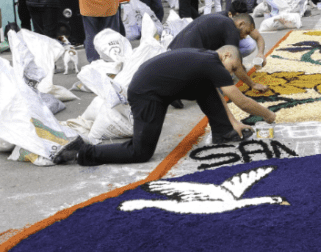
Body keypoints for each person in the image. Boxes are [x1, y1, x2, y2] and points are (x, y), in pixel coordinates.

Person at [52, 47, 276, 166]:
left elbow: (217, 96)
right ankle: (83, 152)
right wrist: (268, 115)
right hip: (146, 94)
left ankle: (224, 133)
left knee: (206, 88)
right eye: (233, 66)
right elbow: (240, 100)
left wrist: (233, 123)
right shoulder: (214, 63)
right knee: (140, 152)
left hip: (154, 86)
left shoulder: (207, 62)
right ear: (226, 55)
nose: (231, 72)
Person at [168, 12, 266, 93]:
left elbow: (258, 37)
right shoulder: (232, 30)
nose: (245, 36)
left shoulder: (224, 17)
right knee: (221, 88)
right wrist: (253, 84)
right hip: (185, 56)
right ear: (241, 24)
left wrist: (260, 53)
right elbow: (234, 62)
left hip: (173, 48)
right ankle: (174, 89)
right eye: (247, 32)